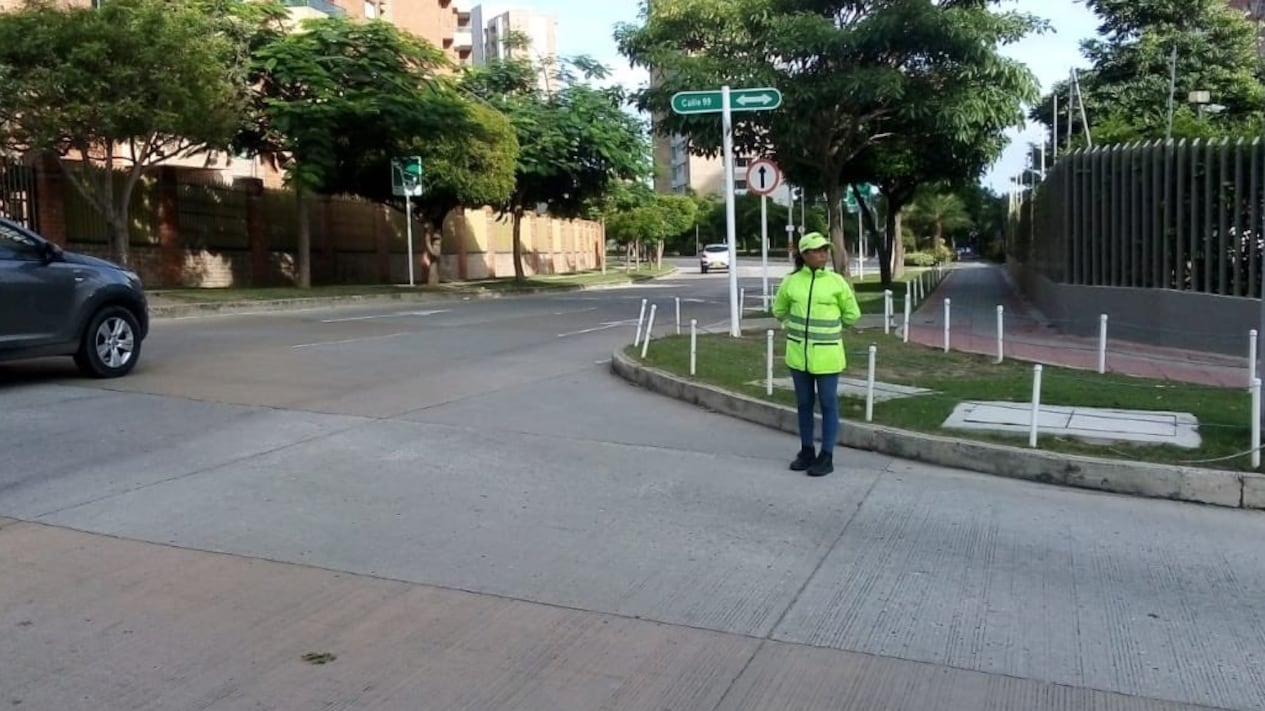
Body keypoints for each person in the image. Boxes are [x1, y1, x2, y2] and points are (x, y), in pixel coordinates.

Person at [771, 232, 862, 477]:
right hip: (798, 356)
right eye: (817, 250)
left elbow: (852, 314)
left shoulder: (836, 282)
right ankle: (807, 450)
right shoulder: (791, 282)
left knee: (829, 404)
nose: (823, 254)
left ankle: (827, 455)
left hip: (828, 357)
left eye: (825, 249)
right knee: (803, 404)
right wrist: (791, 325)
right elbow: (779, 310)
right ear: (804, 255)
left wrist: (833, 328)